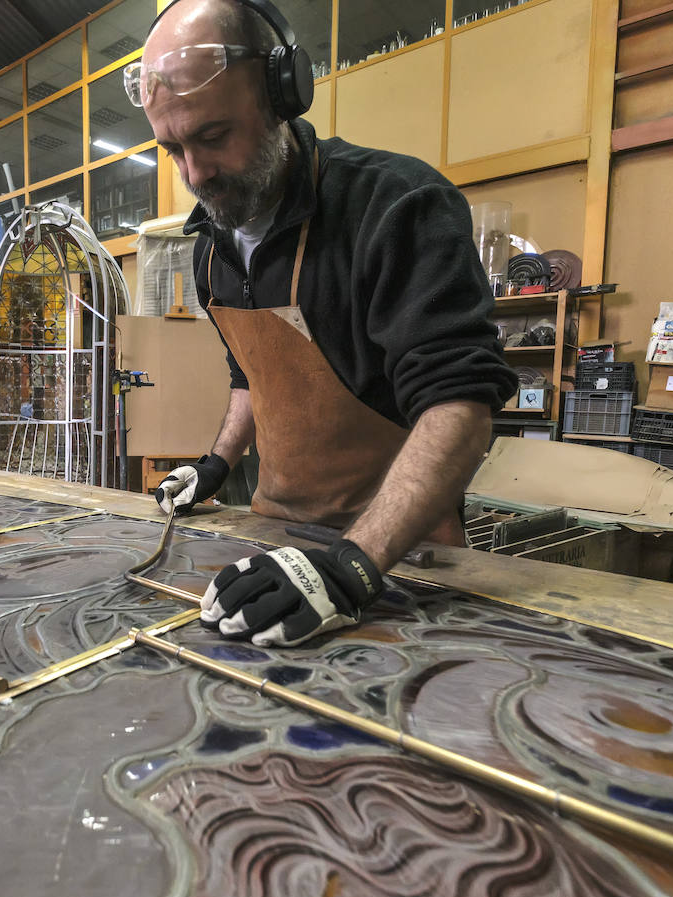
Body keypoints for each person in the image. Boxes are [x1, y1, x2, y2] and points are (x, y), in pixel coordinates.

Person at [126, 0, 517, 648]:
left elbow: (461, 407)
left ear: (284, 94)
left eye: (214, 137)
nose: (195, 175)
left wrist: (351, 568)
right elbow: (252, 376)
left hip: (401, 560)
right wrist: (215, 466)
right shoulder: (210, 246)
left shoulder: (394, 208)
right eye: (174, 150)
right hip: (280, 541)